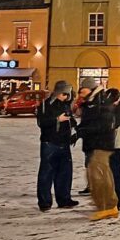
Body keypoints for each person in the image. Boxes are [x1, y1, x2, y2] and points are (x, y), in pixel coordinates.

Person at [76, 87, 120, 221]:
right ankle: (104, 205)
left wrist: (82, 131)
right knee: (95, 174)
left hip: (102, 144)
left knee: (99, 174)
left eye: (83, 90)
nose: (80, 94)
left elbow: (102, 125)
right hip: (96, 144)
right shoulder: (92, 103)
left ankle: (108, 206)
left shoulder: (101, 103)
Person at [36, 81, 79, 211]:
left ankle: (64, 199)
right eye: (64, 94)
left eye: (68, 94)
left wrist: (75, 128)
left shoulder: (65, 105)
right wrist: (56, 120)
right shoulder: (46, 105)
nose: (66, 97)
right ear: (58, 92)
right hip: (50, 142)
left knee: (64, 173)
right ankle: (44, 202)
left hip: (64, 143)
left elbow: (71, 121)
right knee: (46, 173)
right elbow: (41, 122)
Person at [74, 78, 96, 194]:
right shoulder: (86, 102)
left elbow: (91, 122)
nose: (81, 91)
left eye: (83, 89)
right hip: (89, 139)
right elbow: (79, 114)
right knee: (89, 163)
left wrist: (80, 131)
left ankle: (95, 186)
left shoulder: (95, 102)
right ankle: (91, 185)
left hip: (96, 139)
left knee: (94, 163)